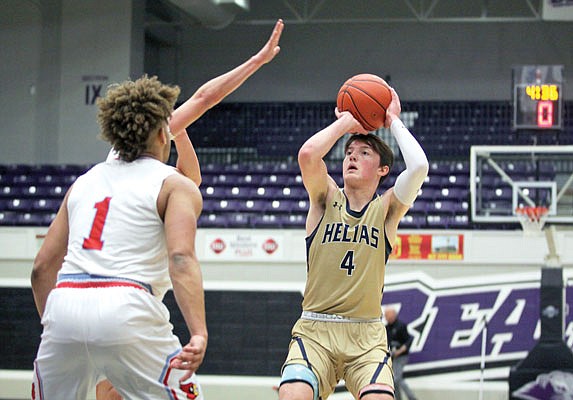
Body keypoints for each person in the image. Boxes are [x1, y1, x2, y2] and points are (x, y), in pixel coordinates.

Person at [31, 19, 284, 400]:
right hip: (126, 304)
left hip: (64, 302)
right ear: (164, 132)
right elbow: (181, 258)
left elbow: (40, 269)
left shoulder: (85, 181)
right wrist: (198, 331)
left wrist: (57, 324)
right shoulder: (171, 184)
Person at [278, 83, 428, 400]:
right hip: (316, 330)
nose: (352, 157)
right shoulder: (324, 199)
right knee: (292, 394)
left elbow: (419, 167)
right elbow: (307, 154)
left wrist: (393, 121)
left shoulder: (386, 210)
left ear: (383, 169)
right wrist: (347, 121)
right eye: (348, 153)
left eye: (363, 153)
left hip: (367, 335)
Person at [384, 306, 417, 400]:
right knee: (395, 380)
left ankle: (412, 398)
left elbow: (409, 340)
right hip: (393, 357)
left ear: (393, 315)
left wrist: (401, 350)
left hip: (401, 356)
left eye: (387, 315)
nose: (386, 317)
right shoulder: (386, 328)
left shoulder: (401, 326)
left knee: (396, 379)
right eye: (385, 315)